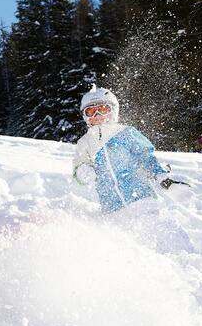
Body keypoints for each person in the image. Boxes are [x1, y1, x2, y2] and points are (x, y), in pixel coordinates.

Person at [72, 85, 192, 251]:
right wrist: (83, 171)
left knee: (162, 233)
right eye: (92, 112)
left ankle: (184, 256)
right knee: (125, 248)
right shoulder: (84, 143)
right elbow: (79, 165)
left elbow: (146, 157)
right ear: (85, 117)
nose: (98, 116)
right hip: (112, 208)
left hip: (141, 199)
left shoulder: (126, 133)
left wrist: (161, 177)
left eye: (103, 109)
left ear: (113, 111)